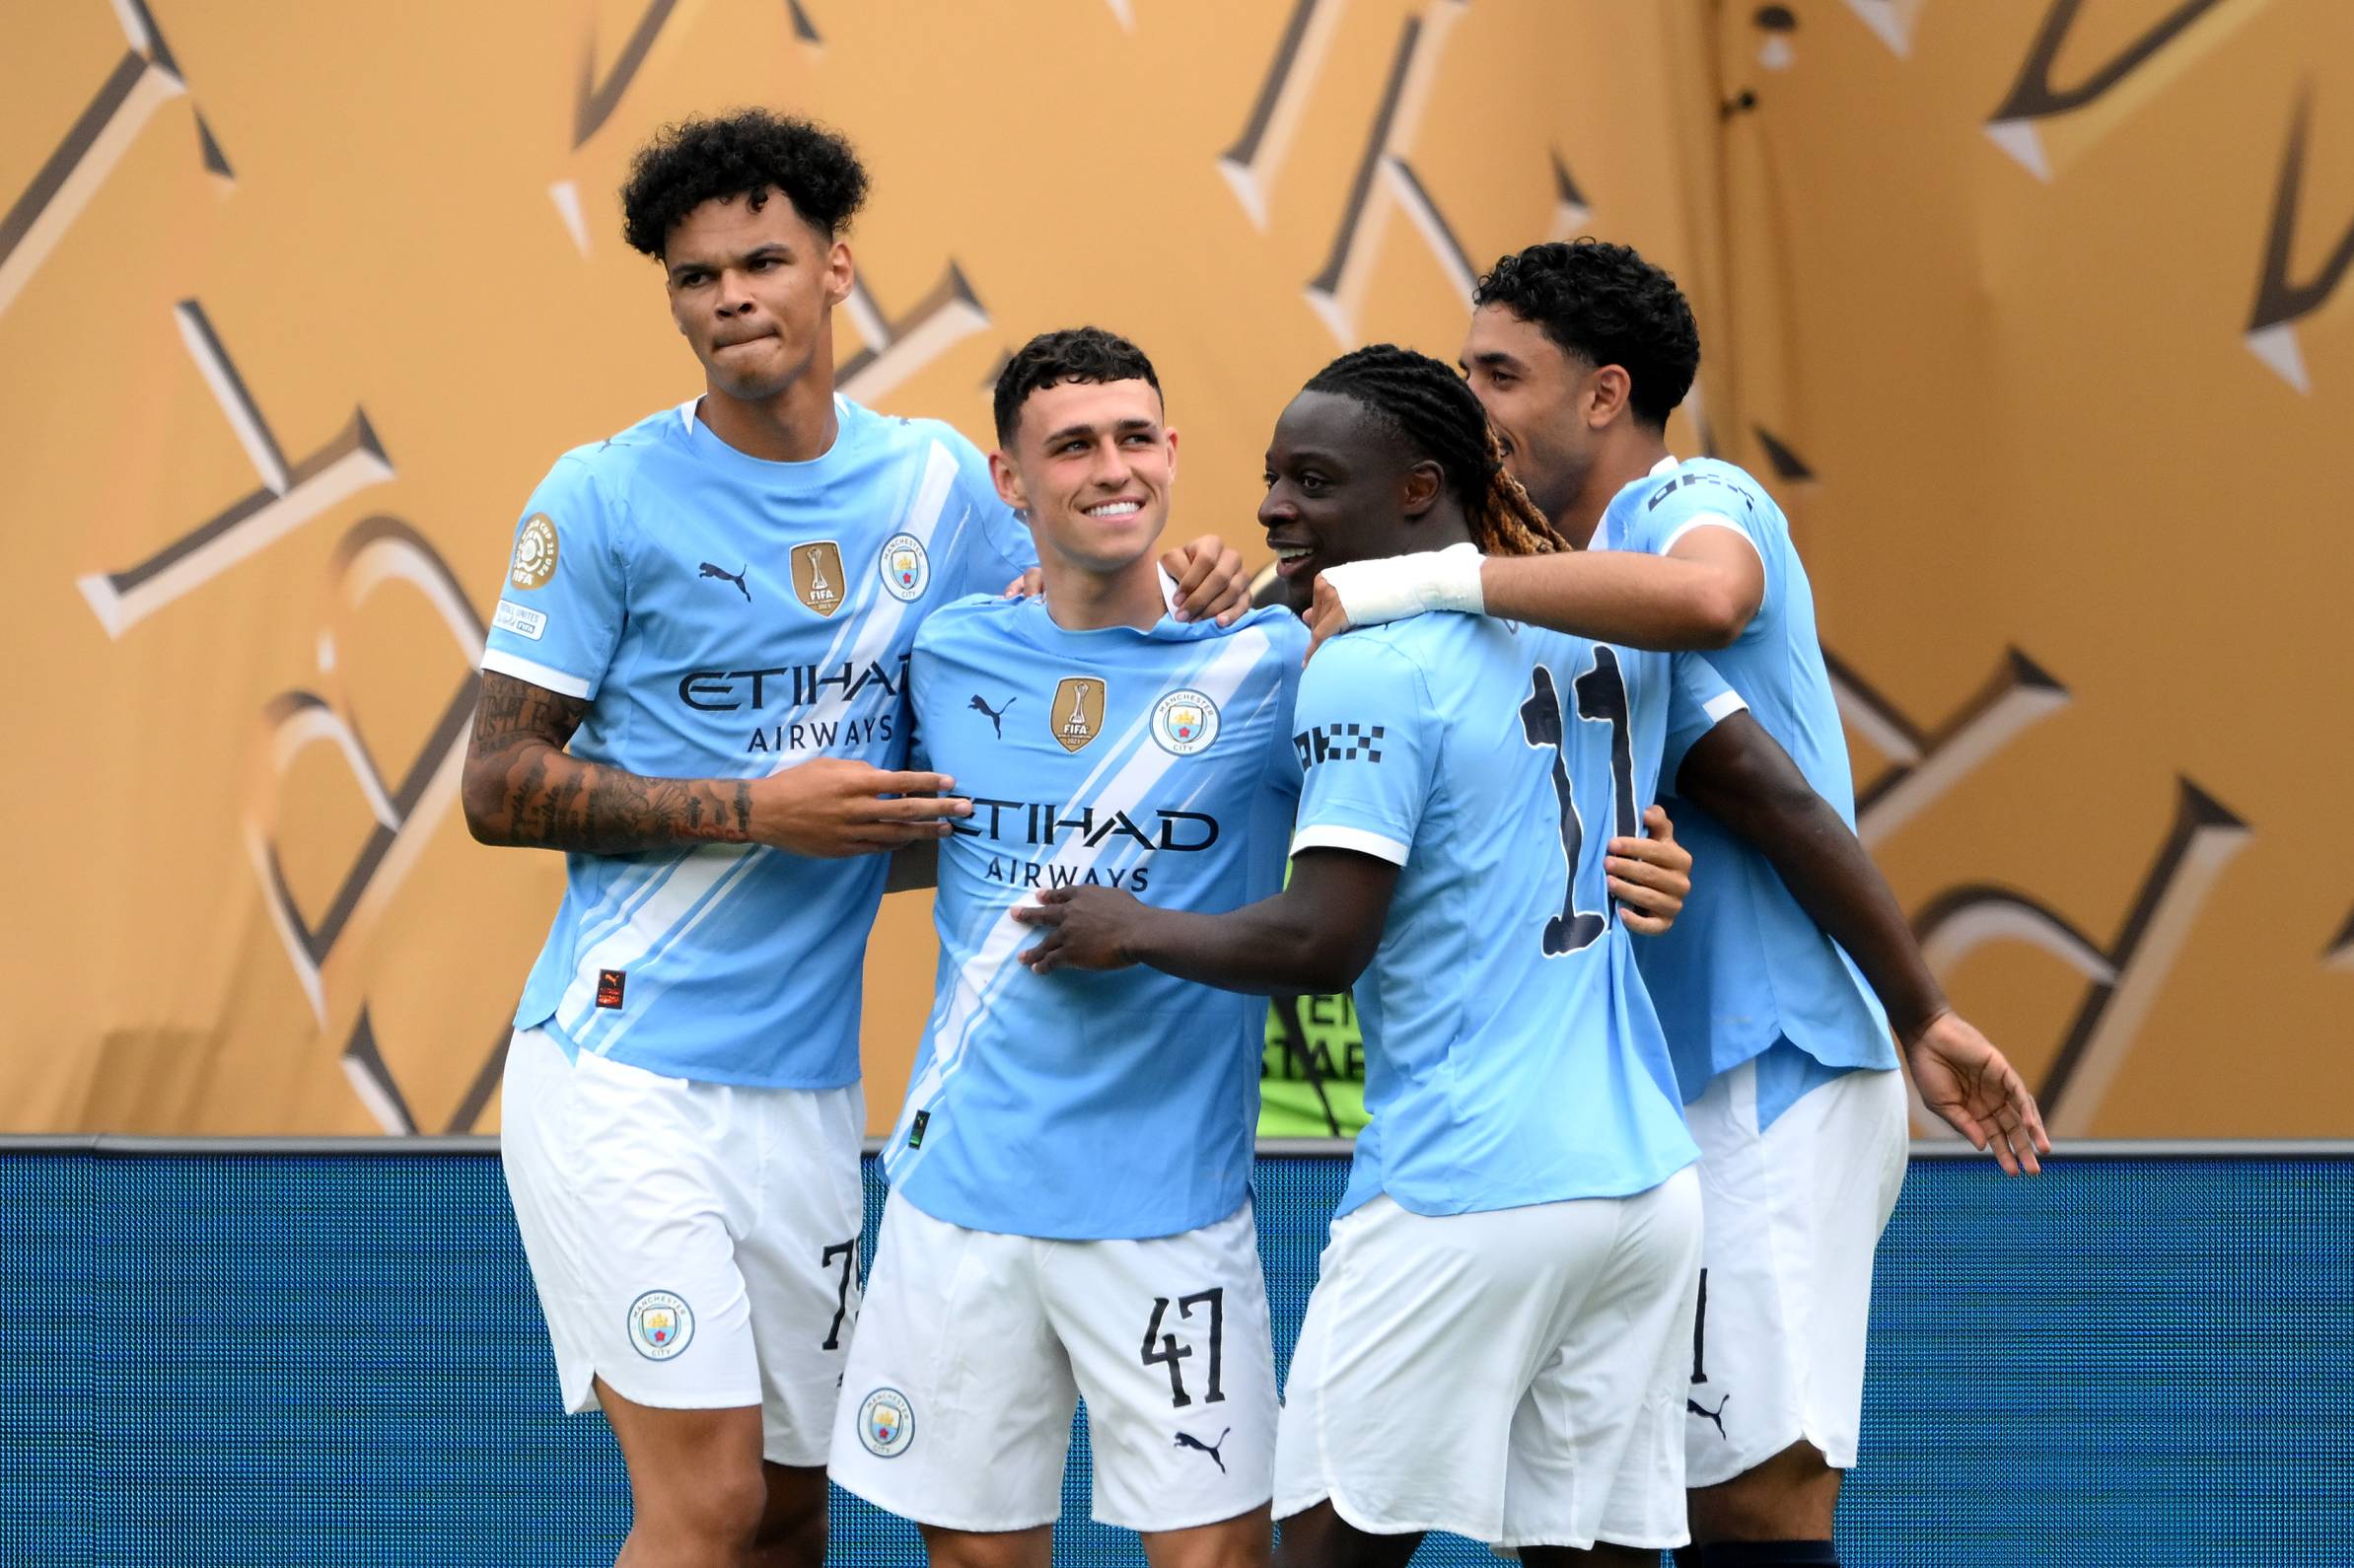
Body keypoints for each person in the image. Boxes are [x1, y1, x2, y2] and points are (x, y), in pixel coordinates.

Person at [459, 113, 1247, 1567]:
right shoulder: (602, 495)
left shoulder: (939, 486)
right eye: (695, 277)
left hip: (810, 1098)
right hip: (620, 1067)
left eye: (761, 262)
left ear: (835, 268)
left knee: (789, 1515)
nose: (730, 297)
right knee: (705, 1505)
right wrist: (755, 811)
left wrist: (1190, 578)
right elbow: (498, 785)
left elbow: (1070, 631)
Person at [1305, 239, 2051, 1567]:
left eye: (1499, 374)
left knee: (1751, 1501)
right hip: (1640, 1100)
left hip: (1767, 1065)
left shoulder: (1686, 499)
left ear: (1604, 394)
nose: (1471, 403)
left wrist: (1916, 1011)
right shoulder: (1563, 580)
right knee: (1625, 1516)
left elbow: (1719, 628)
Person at [1017, 344, 1746, 1565]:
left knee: (1322, 1549)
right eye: (1270, 476)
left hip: (1469, 1183)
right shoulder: (1597, 630)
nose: (1271, 506)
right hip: (1644, 1192)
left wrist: (1127, 927)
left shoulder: (1370, 662)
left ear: (1417, 491)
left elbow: (1321, 942)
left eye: (1310, 481)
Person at [825, 326, 1308, 1568]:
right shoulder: (948, 651)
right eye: (1073, 446)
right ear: (1009, 479)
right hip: (957, 1193)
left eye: (1134, 438)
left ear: (1171, 451)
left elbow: (1398, 840)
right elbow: (872, 829)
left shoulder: (1266, 659)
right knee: (976, 1559)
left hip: (1169, 1207)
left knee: (1213, 1558)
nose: (1112, 469)